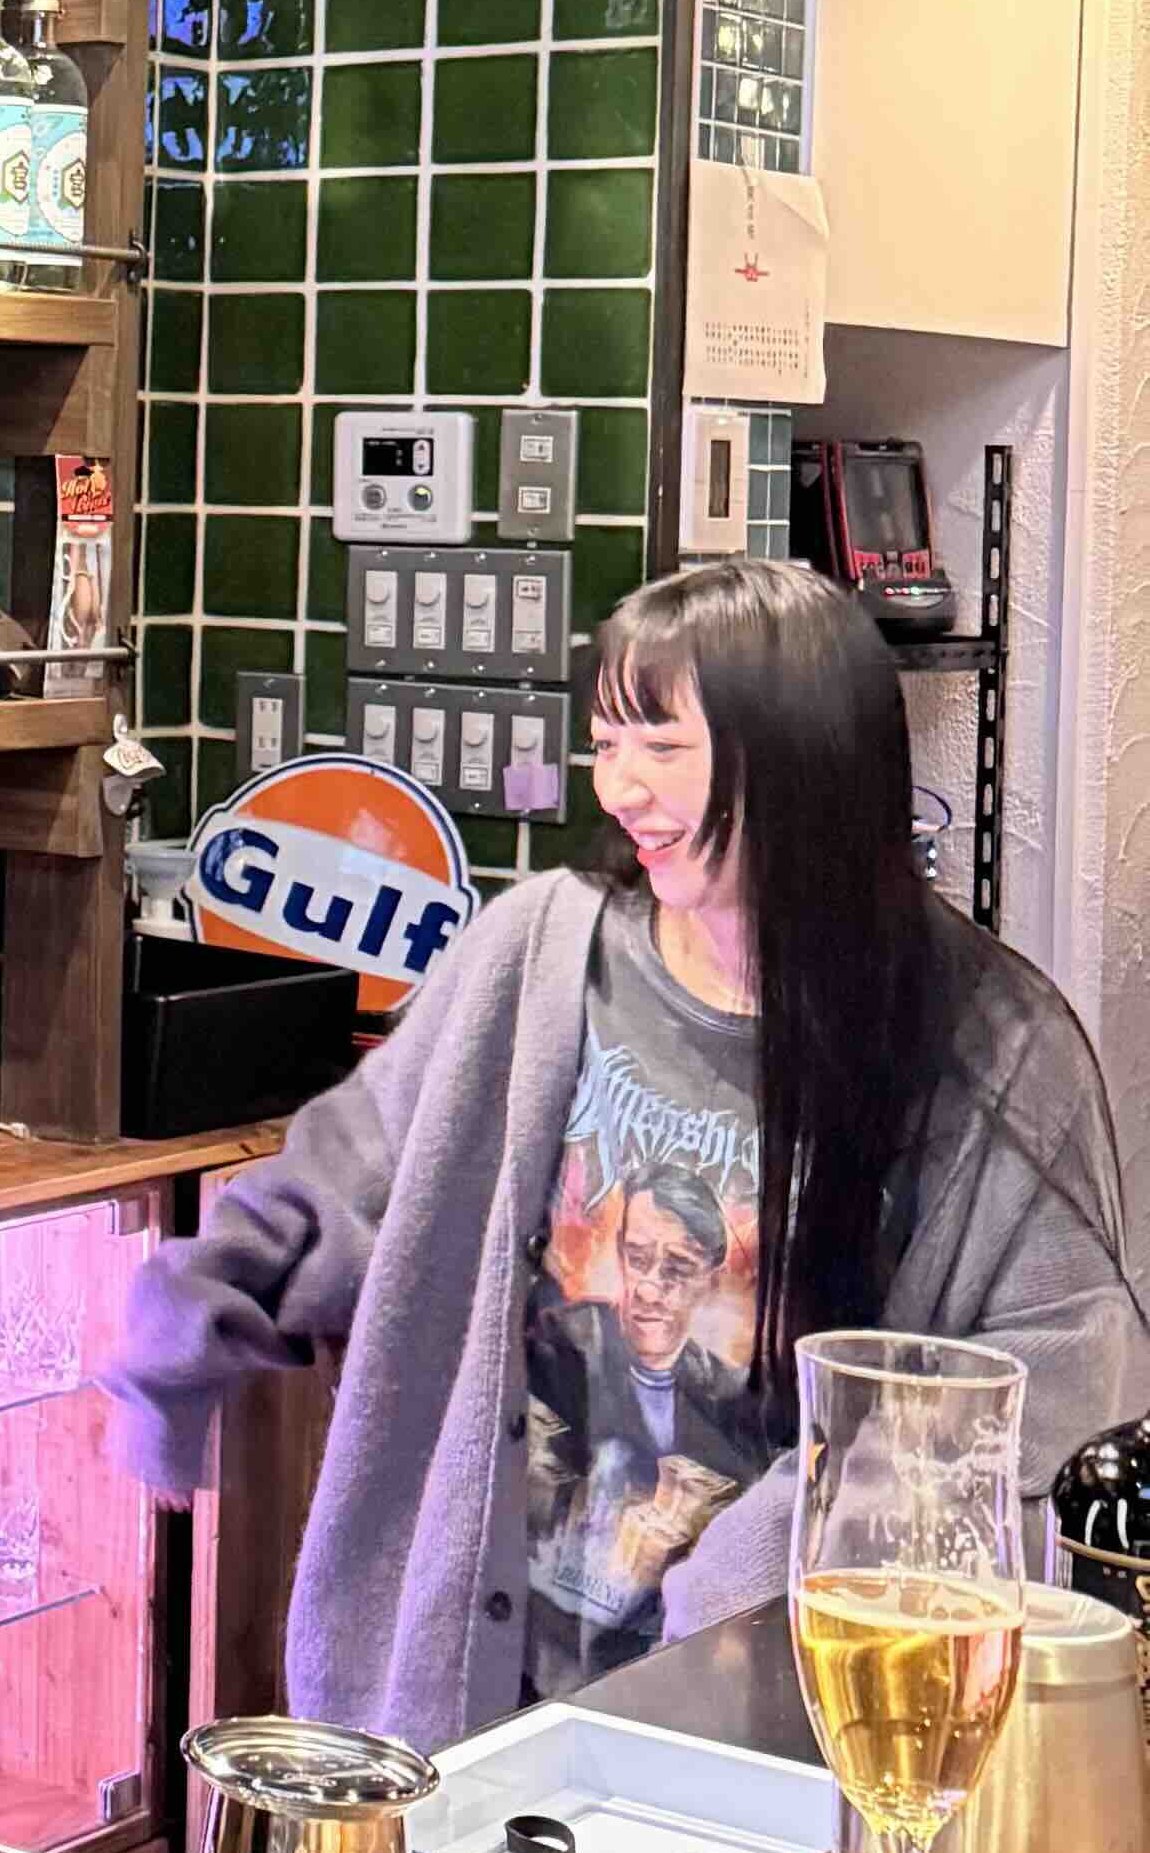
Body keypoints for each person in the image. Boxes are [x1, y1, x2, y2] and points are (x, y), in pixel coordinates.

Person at [108, 558, 1144, 1745]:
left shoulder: (989, 1044)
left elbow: (1053, 1384)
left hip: (785, 1729)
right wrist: (204, 1301)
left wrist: (772, 1553)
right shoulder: (540, 948)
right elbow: (357, 1166)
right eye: (605, 743)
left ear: (801, 758)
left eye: (661, 746)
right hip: (468, 1716)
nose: (620, 788)